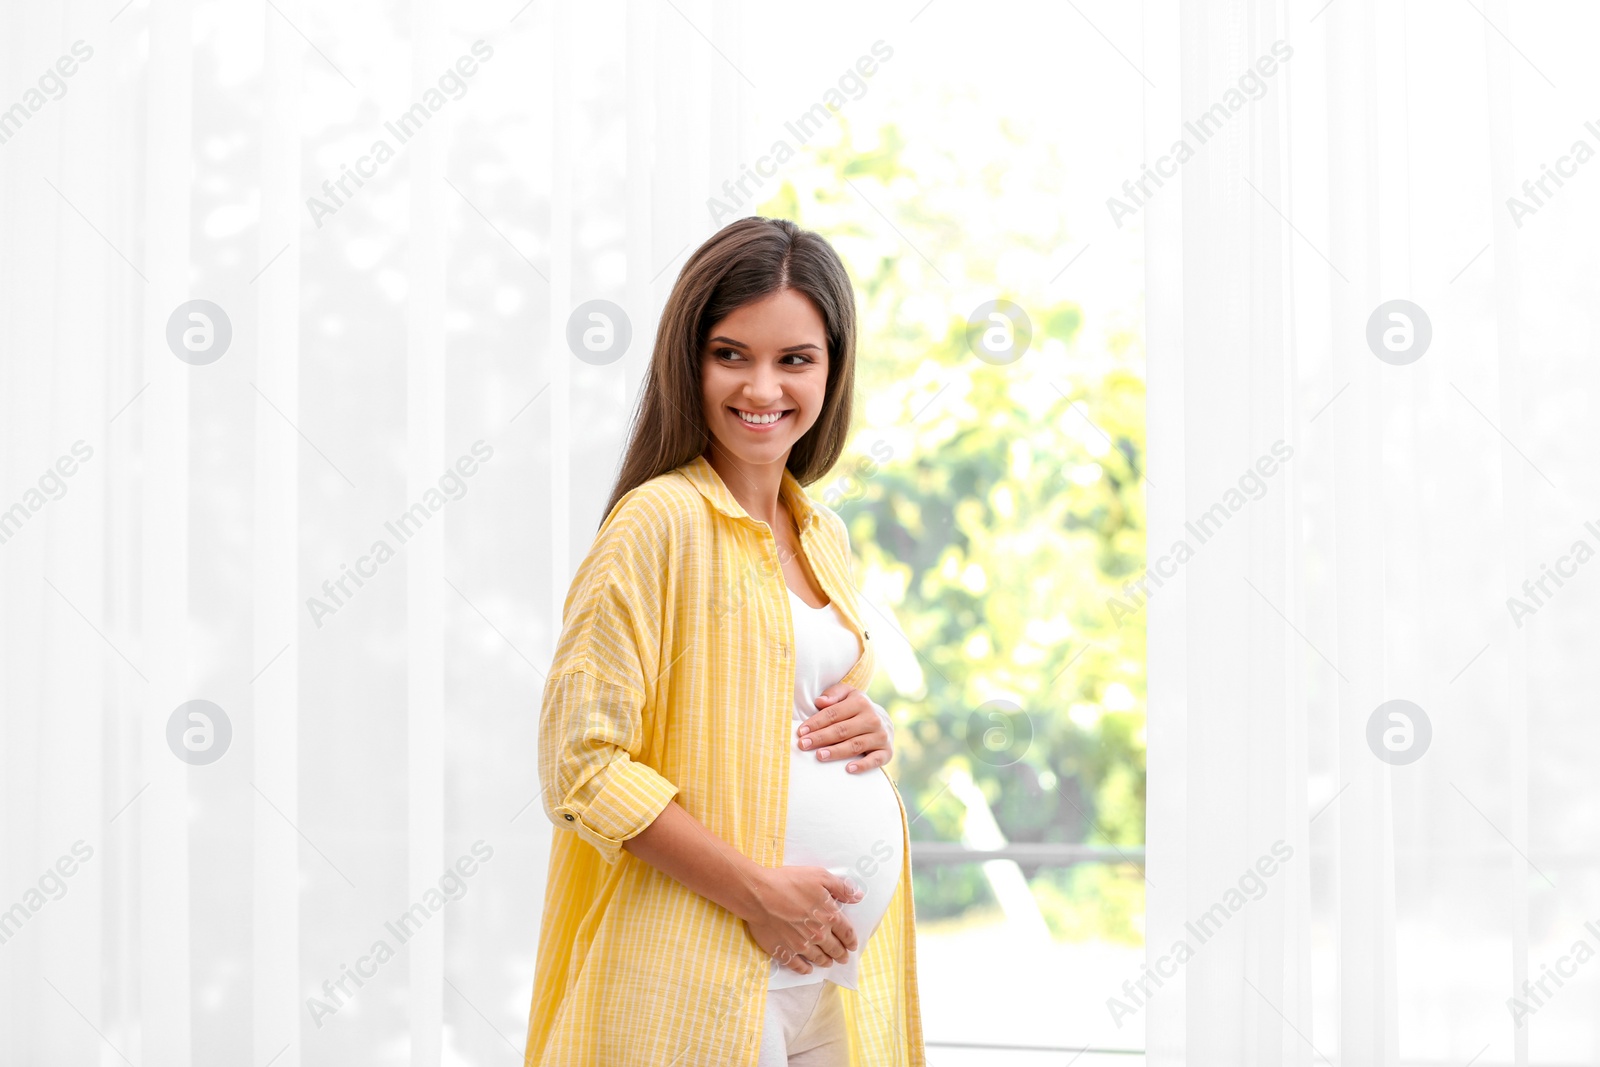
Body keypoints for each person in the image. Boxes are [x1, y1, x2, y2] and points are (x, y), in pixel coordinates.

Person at [523, 216, 925, 1066]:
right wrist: (758, 893)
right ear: (689, 360)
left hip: (831, 984)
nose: (762, 386)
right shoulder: (658, 522)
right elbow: (582, 761)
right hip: (698, 981)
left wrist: (873, 732)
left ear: (833, 368)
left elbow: (784, 714)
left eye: (795, 359)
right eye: (731, 353)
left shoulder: (823, 534)